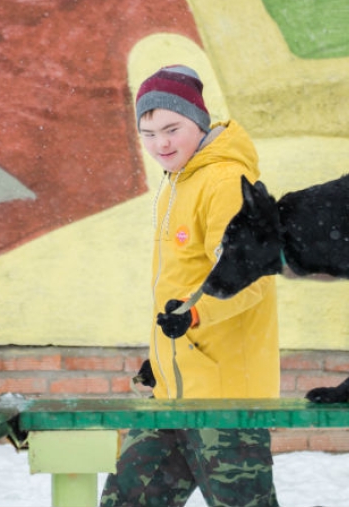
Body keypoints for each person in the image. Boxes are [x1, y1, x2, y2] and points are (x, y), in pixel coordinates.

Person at [100, 65, 280, 507]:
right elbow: (183, 281)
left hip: (225, 402)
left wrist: (194, 314)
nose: (160, 144)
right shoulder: (178, 181)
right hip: (173, 394)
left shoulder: (225, 183)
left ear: (199, 122)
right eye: (148, 133)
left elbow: (250, 276)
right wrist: (164, 356)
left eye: (172, 129)